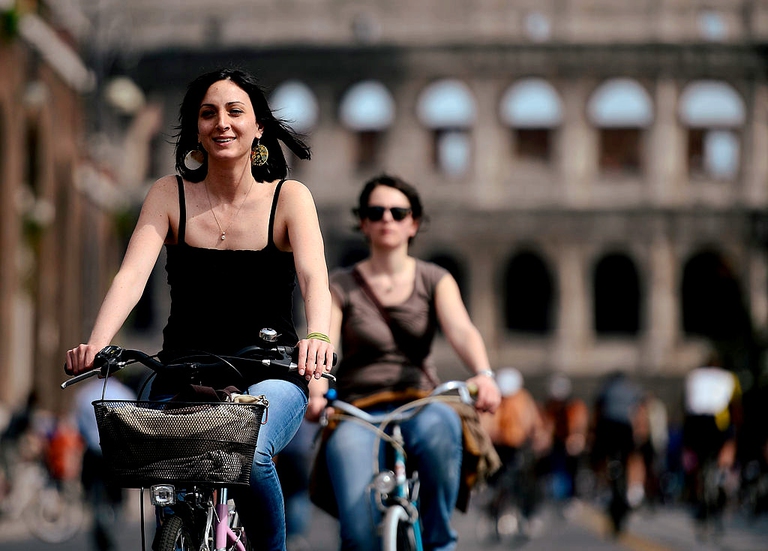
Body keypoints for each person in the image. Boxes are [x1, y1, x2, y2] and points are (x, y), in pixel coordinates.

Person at [64, 67, 335, 551]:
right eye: (208, 113)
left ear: (260, 130)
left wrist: (317, 338)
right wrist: (98, 343)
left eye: (235, 112)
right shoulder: (169, 195)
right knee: (167, 477)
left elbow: (316, 279)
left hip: (268, 368)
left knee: (251, 456)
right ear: (195, 129)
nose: (221, 123)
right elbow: (131, 277)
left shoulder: (290, 198)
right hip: (183, 368)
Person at [319, 174, 501, 551]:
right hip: (357, 409)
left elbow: (462, 331)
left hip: (420, 400)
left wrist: (484, 374)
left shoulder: (435, 279)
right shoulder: (339, 285)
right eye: (376, 211)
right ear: (363, 223)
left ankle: (438, 541)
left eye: (398, 212)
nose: (387, 218)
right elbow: (325, 343)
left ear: (413, 223)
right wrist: (317, 393)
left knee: (441, 429)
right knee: (356, 533)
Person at [481, 367, 546, 537]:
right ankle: (492, 514)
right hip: (498, 448)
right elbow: (487, 423)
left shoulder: (523, 399)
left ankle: (527, 516)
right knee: (496, 483)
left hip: (519, 447)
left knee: (524, 482)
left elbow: (533, 421)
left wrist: (538, 437)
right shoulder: (495, 398)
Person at [681, 353, 741, 527]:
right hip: (716, 421)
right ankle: (723, 474)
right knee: (728, 443)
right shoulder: (729, 377)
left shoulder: (693, 376)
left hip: (695, 422)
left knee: (698, 458)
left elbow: (685, 403)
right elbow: (735, 405)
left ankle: (699, 486)